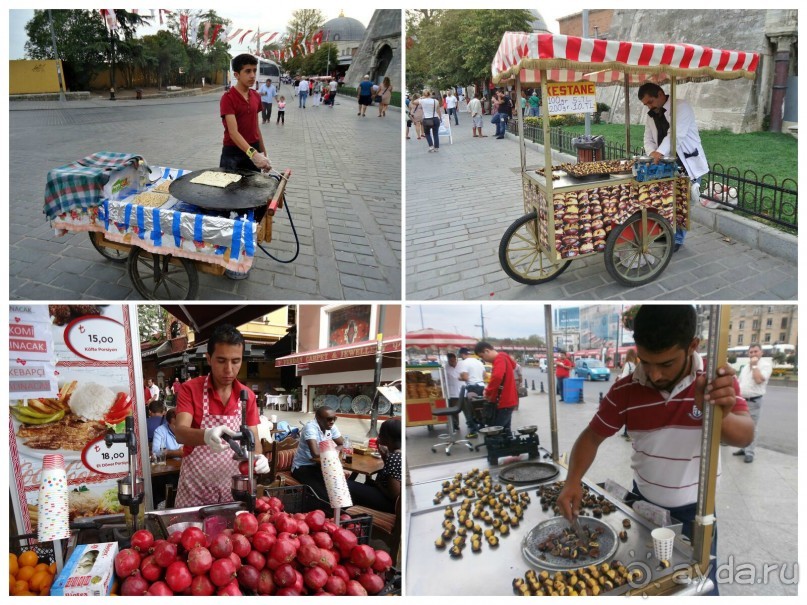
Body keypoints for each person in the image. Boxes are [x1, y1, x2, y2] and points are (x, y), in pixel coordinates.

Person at [556, 305, 753, 597]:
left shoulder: (714, 378)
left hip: (696, 513)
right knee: (646, 584)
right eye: (646, 362)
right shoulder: (625, 390)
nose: (655, 374)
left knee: (698, 588)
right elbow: (592, 437)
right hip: (643, 510)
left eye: (667, 364)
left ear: (692, 346)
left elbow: (744, 436)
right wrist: (572, 481)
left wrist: (710, 407)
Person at [173, 324, 269, 508]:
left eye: (235, 361)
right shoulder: (190, 389)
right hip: (195, 490)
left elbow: (254, 441)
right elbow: (180, 432)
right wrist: (206, 435)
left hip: (232, 491)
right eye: (221, 360)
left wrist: (258, 458)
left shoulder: (246, 396)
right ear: (209, 358)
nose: (229, 370)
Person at [638, 82, 708, 252]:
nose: (649, 106)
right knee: (665, 201)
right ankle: (666, 231)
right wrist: (652, 152)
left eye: (651, 101)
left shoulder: (681, 107)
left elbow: (676, 135)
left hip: (686, 163)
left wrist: (659, 152)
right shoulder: (651, 115)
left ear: (661, 94)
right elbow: (647, 138)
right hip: (663, 163)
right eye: (646, 104)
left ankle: (677, 239)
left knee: (682, 202)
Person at [219, 54, 270, 280]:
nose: (252, 75)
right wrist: (253, 153)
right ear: (236, 74)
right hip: (233, 156)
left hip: (253, 155)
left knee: (251, 204)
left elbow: (255, 129)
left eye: (254, 70)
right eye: (247, 71)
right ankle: (228, 259)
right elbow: (234, 132)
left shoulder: (256, 96)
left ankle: (243, 254)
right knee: (231, 207)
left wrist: (263, 154)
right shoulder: (228, 98)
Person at [291, 406, 345, 502]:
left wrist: (332, 451)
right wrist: (334, 451)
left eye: (334, 419)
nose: (332, 421)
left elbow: (342, 444)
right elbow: (315, 453)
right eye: (329, 419)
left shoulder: (330, 426)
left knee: (338, 486)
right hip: (302, 467)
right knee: (323, 494)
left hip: (319, 465)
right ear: (318, 419)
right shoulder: (310, 427)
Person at [347, 418, 401, 513]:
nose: (378, 436)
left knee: (347, 485)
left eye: (380, 433)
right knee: (366, 483)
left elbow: (394, 495)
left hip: (391, 505)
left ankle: (347, 513)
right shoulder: (397, 454)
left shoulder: (394, 457)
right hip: (389, 499)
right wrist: (384, 457)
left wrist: (378, 485)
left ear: (387, 438)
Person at [733, 343, 772, 463]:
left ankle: (750, 452)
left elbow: (759, 380)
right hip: (743, 400)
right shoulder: (745, 367)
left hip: (754, 400)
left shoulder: (765, 365)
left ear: (761, 353)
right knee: (742, 426)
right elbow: (740, 383)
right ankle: (743, 448)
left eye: (756, 351)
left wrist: (754, 366)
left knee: (752, 427)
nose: (753, 354)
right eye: (751, 352)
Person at [475, 342, 518, 431]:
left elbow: (497, 377)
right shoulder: (504, 358)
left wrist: (488, 391)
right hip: (508, 400)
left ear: (487, 351)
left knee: (496, 431)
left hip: (503, 400)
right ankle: (507, 444)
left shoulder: (500, 359)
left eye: (482, 356)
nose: (484, 360)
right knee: (505, 431)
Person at [457, 347, 486, 437]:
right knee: (480, 409)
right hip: (481, 386)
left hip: (472, 388)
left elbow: (465, 378)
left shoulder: (463, 363)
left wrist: (459, 378)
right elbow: (484, 375)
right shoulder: (479, 362)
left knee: (470, 410)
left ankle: (473, 431)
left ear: (462, 354)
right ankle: (482, 426)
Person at [619, 348, 638, 440]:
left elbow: (624, 378)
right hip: (635, 390)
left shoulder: (627, 365)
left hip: (627, 391)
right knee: (631, 411)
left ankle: (628, 432)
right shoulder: (636, 365)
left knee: (627, 412)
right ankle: (627, 431)